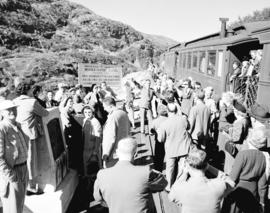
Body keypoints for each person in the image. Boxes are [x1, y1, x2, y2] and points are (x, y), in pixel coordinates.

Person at [93, 137, 167, 213]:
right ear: (135, 154)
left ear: (117, 153)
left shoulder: (102, 175)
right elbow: (163, 184)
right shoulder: (146, 172)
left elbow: (98, 198)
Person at [169, 149, 234, 213]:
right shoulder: (219, 185)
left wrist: (184, 173)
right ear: (205, 166)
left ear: (188, 166)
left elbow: (171, 196)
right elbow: (231, 183)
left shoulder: (181, 188)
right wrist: (209, 167)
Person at [222, 127, 268, 213]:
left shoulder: (243, 154)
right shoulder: (263, 156)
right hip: (253, 193)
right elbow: (262, 183)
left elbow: (233, 178)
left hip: (239, 191)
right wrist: (262, 201)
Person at [13, 82, 49, 193]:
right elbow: (45, 113)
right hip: (29, 134)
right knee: (30, 160)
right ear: (28, 91)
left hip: (17, 134)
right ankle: (30, 186)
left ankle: (22, 182)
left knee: (19, 160)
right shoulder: (32, 102)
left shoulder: (15, 101)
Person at [0, 100, 29, 213]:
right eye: (9, 109)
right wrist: (11, 176)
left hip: (23, 170)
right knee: (13, 209)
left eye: (14, 108)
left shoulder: (17, 125)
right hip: (13, 172)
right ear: (2, 113)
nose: (13, 111)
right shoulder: (2, 128)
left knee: (19, 206)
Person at [158, 103, 192, 190]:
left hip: (171, 149)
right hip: (183, 148)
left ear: (167, 111)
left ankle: (169, 187)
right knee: (181, 169)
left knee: (170, 169)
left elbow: (160, 140)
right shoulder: (183, 119)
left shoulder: (164, 124)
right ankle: (179, 186)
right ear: (176, 110)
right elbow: (188, 127)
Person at [102, 97, 130, 168]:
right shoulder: (123, 113)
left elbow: (110, 138)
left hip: (114, 153)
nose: (104, 109)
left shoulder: (113, 117)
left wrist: (106, 154)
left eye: (105, 107)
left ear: (111, 106)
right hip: (125, 150)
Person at [82, 105, 102, 175]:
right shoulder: (84, 120)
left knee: (97, 166)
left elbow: (98, 137)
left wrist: (95, 150)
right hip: (86, 147)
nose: (87, 114)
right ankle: (88, 180)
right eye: (85, 112)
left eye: (89, 112)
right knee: (86, 167)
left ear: (92, 112)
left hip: (93, 148)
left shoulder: (95, 121)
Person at [150, 104, 168, 172]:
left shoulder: (155, 121)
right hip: (168, 140)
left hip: (159, 141)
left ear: (157, 112)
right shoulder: (169, 119)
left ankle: (158, 171)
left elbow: (151, 132)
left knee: (158, 159)